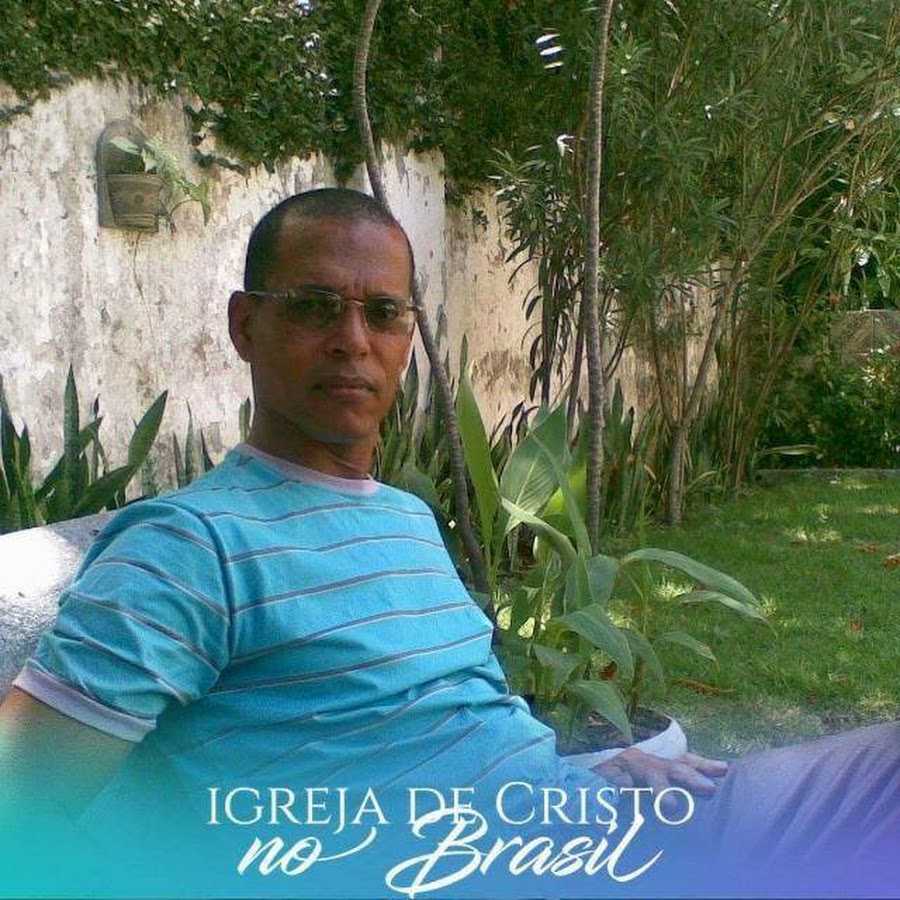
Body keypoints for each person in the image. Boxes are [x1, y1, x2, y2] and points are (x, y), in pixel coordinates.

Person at [0, 188, 896, 899]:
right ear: (245, 325)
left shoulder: (405, 516)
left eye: (383, 313)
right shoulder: (188, 548)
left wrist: (585, 768)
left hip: (600, 829)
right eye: (314, 306)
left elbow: (447, 726)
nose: (352, 340)